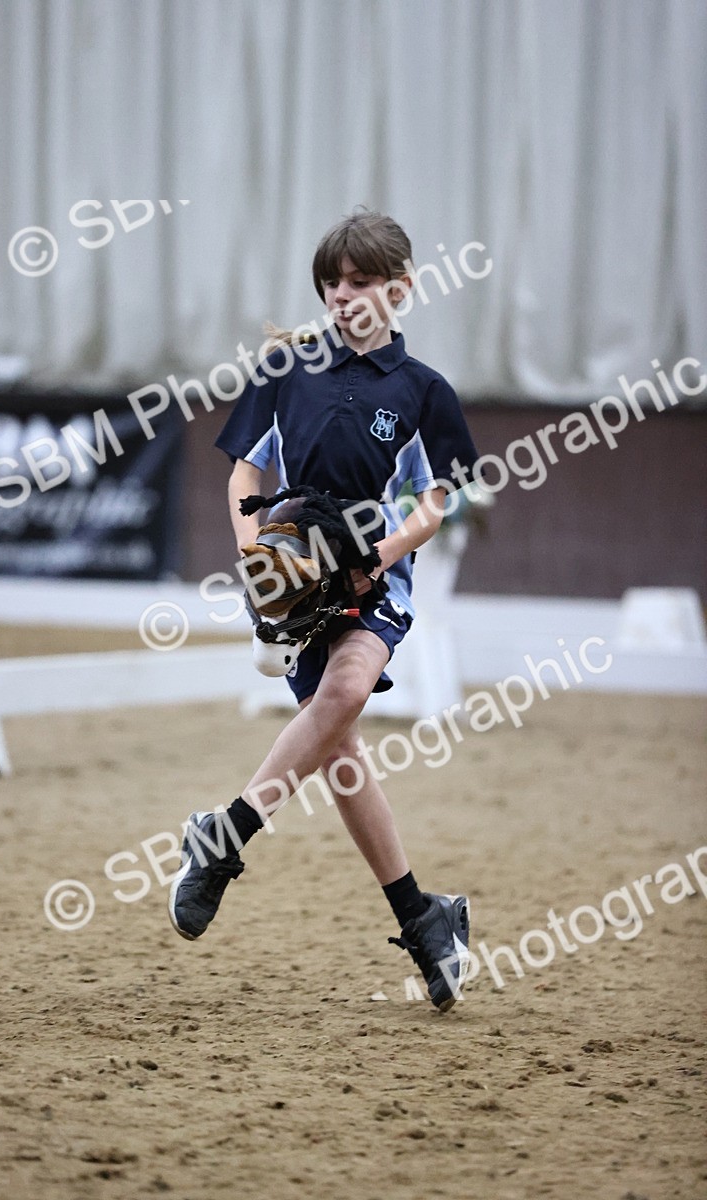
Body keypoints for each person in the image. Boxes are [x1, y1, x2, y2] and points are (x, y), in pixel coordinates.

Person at [168, 209, 480, 1011]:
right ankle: (424, 919)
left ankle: (226, 837)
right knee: (340, 754)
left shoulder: (424, 393)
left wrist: (369, 561)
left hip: (375, 579)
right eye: (332, 283)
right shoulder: (287, 368)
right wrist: (255, 557)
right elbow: (244, 472)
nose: (343, 297)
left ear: (401, 289)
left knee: (342, 697)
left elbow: (433, 506)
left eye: (362, 282)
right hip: (296, 577)